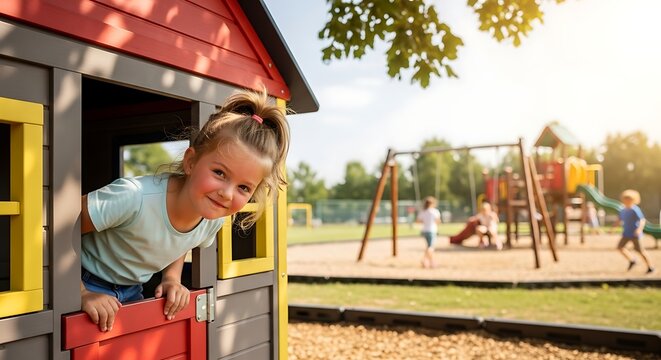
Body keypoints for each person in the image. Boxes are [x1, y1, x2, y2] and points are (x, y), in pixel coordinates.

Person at [80, 89, 290, 332]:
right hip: (83, 279)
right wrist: (81, 293)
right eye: (219, 173)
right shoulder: (133, 197)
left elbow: (182, 240)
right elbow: (58, 230)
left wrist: (171, 279)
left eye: (244, 187)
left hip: (131, 290)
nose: (227, 193)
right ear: (190, 162)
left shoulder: (211, 218)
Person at [616, 189, 654, 274]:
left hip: (634, 234)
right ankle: (632, 260)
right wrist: (615, 226)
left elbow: (642, 220)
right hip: (626, 233)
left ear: (633, 200)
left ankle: (650, 267)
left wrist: (639, 229)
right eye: (625, 199)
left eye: (629, 199)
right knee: (620, 247)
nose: (627, 201)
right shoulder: (623, 210)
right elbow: (620, 219)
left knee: (640, 251)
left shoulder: (635, 209)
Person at [416, 196, 441, 268]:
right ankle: (430, 262)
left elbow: (418, 221)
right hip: (432, 231)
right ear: (432, 203)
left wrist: (424, 221)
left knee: (428, 246)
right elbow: (438, 221)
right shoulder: (435, 211)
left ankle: (426, 261)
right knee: (431, 247)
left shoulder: (423, 211)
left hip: (424, 231)